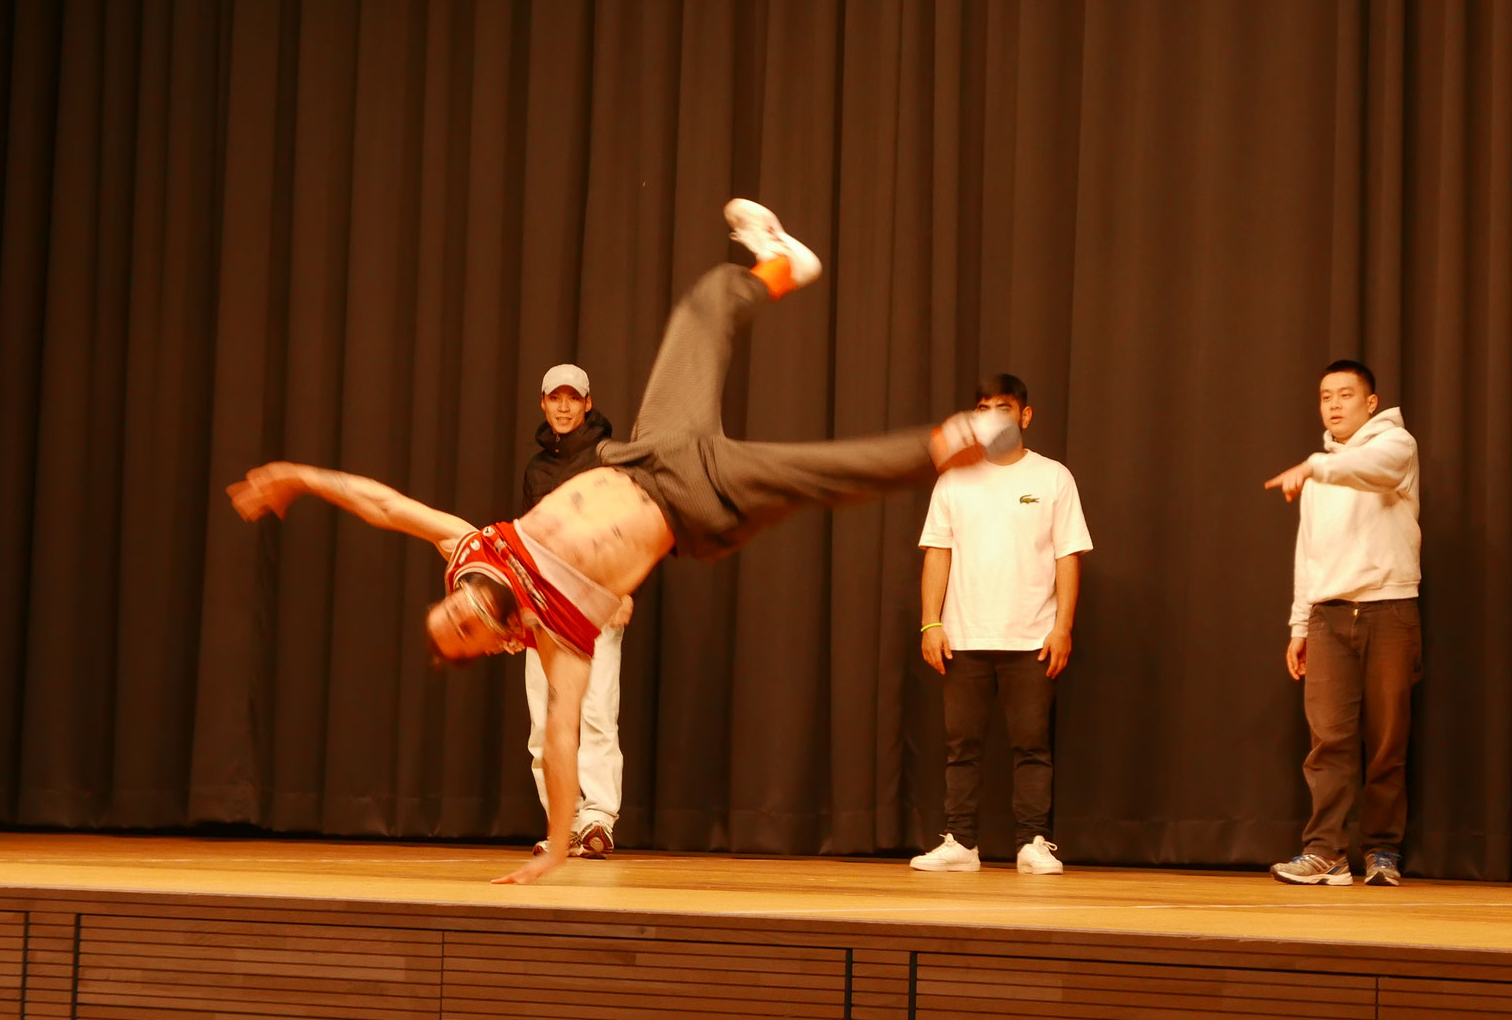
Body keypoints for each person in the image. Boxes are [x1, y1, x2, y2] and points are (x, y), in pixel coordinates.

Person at [227, 199, 1018, 885]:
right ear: (494, 640)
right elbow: (562, 741)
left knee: (702, 308)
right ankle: (952, 441)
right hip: (698, 502)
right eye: (461, 627)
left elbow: (386, 505)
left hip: (652, 450)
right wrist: (556, 850)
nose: (458, 607)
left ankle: (776, 264)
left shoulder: (475, 551)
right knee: (822, 474)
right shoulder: (559, 640)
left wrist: (300, 474)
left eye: (447, 609)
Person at [910, 374, 1090, 876]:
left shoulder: (1053, 477)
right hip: (964, 635)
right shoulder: (954, 478)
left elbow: (1068, 556)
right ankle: (960, 843)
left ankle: (1033, 841)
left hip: (1033, 637)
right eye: (984, 408)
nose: (994, 417)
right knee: (960, 747)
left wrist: (1062, 628)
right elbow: (937, 553)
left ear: (1025, 416)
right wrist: (930, 623)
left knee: (1032, 746)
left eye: (1004, 408)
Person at [1261, 359, 1422, 887]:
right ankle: (1325, 851)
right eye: (1326, 396)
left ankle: (1382, 850)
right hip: (1329, 617)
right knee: (1328, 740)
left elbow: (1374, 470)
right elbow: (1308, 553)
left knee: (1386, 740)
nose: (1333, 404)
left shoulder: (1396, 444)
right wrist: (1299, 625)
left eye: (1345, 395)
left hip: (1390, 610)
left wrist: (1314, 466)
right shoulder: (1319, 471)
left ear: (1370, 402)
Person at [521, 364, 625, 861]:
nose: (563, 406)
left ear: (587, 403)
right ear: (543, 404)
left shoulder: (609, 458)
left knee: (597, 714)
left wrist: (625, 591)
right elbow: (531, 540)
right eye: (554, 398)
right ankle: (563, 823)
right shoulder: (537, 469)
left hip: (594, 602)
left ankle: (598, 820)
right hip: (543, 608)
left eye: (572, 398)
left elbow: (631, 525)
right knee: (545, 724)